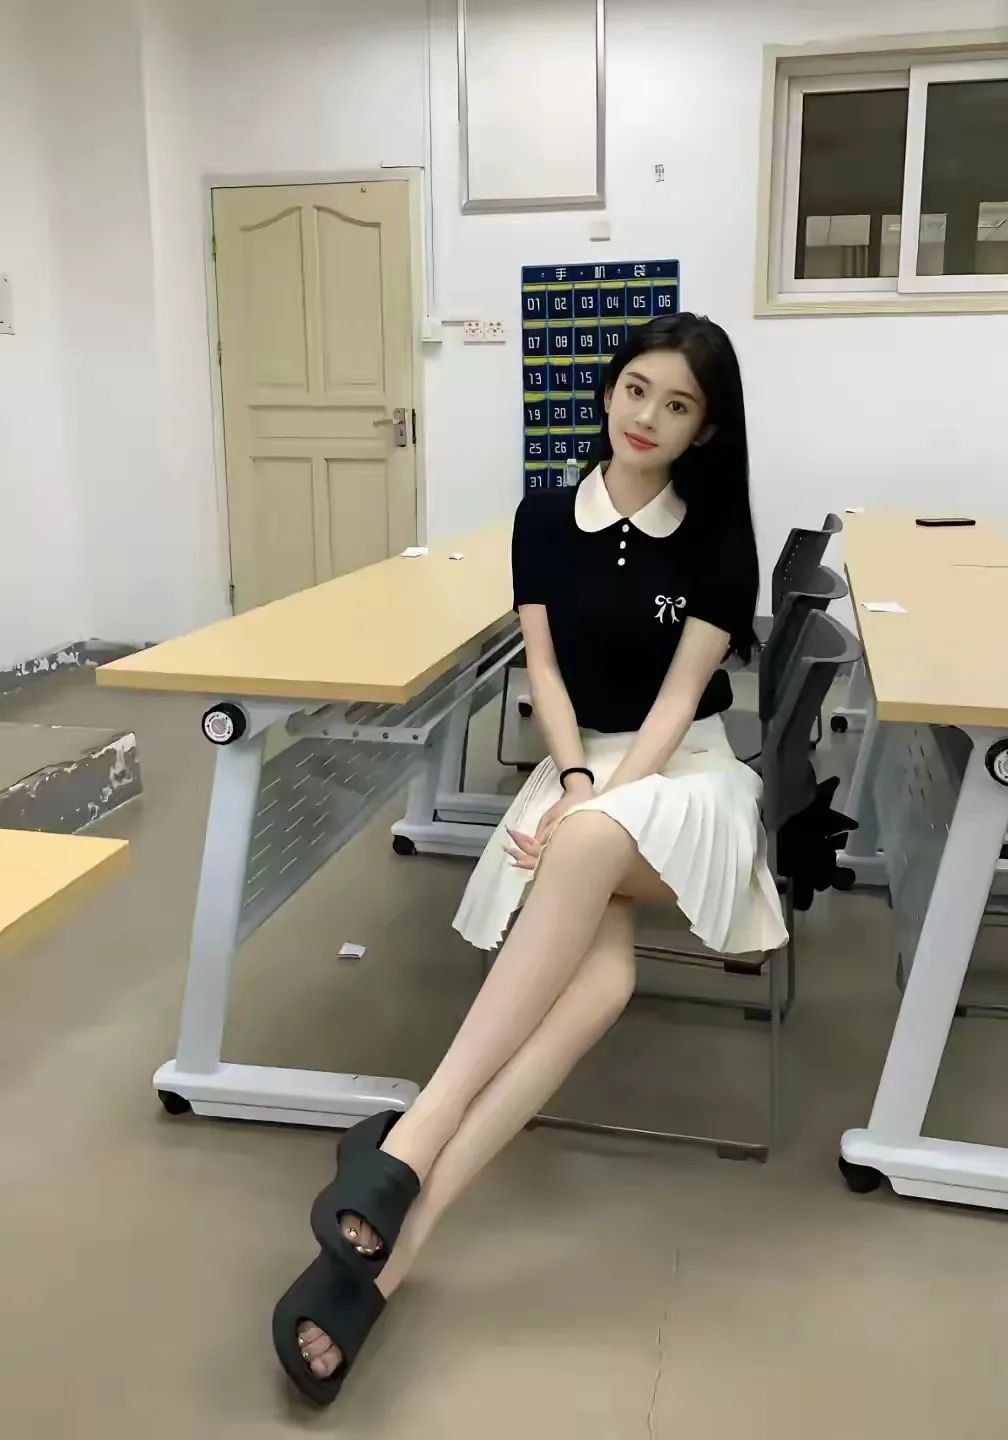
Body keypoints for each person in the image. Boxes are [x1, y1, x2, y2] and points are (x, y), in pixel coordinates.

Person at [272, 312, 787, 1405]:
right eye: (636, 389)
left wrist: (604, 797)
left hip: (686, 771)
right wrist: (574, 778)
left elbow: (678, 703)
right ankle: (395, 1256)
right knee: (600, 984)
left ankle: (406, 1142)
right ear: (609, 388)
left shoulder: (717, 537)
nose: (647, 418)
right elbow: (543, 673)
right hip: (578, 767)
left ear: (705, 430)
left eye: (678, 406)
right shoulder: (544, 517)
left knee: (592, 841)